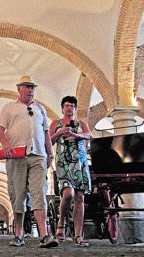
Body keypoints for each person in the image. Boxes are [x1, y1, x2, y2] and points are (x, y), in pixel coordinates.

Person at [0, 75, 58, 248]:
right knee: (18, 195)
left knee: (39, 194)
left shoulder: (41, 110)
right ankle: (18, 235)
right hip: (17, 155)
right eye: (27, 87)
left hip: (38, 155)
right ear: (19, 89)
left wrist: (50, 153)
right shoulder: (9, 108)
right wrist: (6, 144)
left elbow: (46, 133)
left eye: (32, 87)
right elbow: (0, 129)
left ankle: (44, 236)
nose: (30, 90)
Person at [50, 95, 93, 247]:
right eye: (67, 105)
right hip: (63, 162)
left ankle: (78, 236)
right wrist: (60, 132)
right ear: (62, 108)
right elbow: (48, 141)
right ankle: (61, 221)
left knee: (80, 197)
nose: (70, 108)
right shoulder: (56, 123)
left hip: (80, 163)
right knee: (68, 194)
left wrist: (76, 135)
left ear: (74, 109)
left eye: (72, 106)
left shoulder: (81, 123)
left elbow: (90, 135)